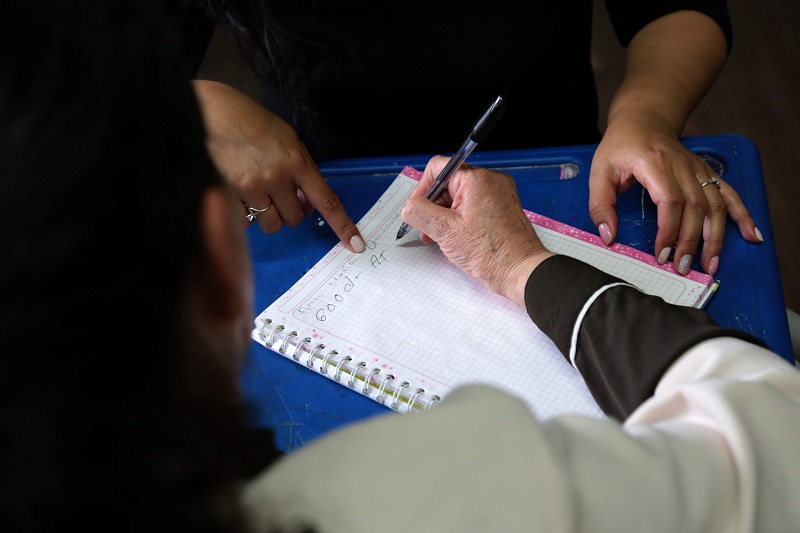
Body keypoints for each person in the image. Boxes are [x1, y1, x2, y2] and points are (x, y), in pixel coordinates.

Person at [3, 1, 799, 532]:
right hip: (338, 176)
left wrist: (645, 108)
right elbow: (773, 432)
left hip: (549, 147)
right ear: (221, 263)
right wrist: (525, 266)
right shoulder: (472, 490)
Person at [178, 0, 764, 277]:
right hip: (310, 177)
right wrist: (193, 103)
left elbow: (679, 8)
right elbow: (96, 55)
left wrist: (648, 112)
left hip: (556, 164)